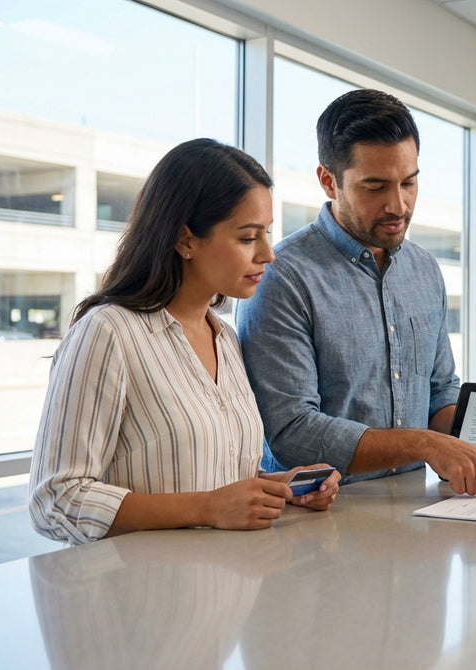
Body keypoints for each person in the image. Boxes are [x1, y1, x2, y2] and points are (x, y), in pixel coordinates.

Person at [29, 139, 340, 546]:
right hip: (140, 597)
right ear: (185, 240)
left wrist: (278, 488)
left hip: (223, 590)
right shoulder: (108, 332)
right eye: (248, 238)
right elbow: (55, 500)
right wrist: (207, 508)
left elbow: (208, 477)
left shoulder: (224, 337)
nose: (268, 254)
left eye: (266, 234)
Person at [237, 89, 476, 499]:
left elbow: (439, 392)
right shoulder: (283, 276)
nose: (398, 205)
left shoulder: (425, 270)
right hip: (321, 517)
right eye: (375, 187)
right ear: (328, 180)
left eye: (409, 182)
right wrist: (424, 444)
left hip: (420, 505)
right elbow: (291, 430)